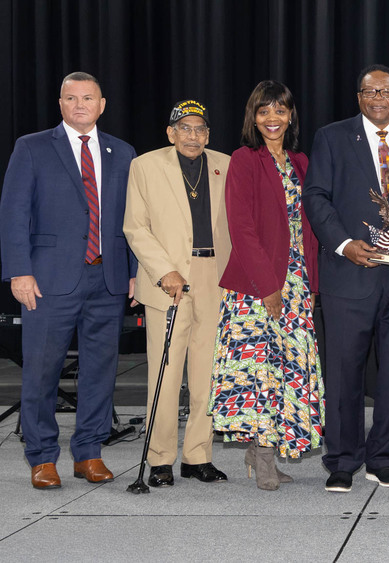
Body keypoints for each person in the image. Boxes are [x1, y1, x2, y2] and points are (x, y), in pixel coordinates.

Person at [303, 64, 389, 492]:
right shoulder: (332, 136)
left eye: (386, 91)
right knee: (343, 370)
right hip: (349, 274)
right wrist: (344, 244)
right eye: (369, 91)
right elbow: (316, 196)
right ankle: (342, 460)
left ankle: (383, 456)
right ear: (358, 97)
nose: (377, 97)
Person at [0, 72, 137, 489]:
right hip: (48, 280)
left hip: (107, 279)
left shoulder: (124, 152)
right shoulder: (32, 147)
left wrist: (134, 273)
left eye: (88, 98)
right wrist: (18, 271)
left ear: (102, 104)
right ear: (60, 104)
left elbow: (135, 220)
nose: (80, 105)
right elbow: (13, 213)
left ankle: (89, 453)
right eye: (71, 98)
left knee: (100, 370)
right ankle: (41, 457)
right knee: (41, 371)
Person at [210, 81, 324, 490]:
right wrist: (267, 286)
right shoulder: (244, 160)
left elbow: (309, 228)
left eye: (280, 110)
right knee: (260, 372)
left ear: (291, 115)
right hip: (255, 285)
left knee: (288, 371)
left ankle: (268, 451)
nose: (272, 118)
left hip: (296, 281)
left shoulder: (302, 162)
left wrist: (309, 282)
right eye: (264, 111)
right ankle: (261, 457)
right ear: (253, 118)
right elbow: (241, 228)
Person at [124, 100, 231, 488]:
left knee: (207, 372)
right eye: (184, 128)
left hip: (215, 277)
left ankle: (197, 456)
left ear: (208, 135)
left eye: (200, 129)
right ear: (170, 133)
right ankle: (160, 459)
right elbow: (135, 227)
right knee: (166, 373)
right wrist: (163, 270)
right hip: (168, 277)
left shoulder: (226, 164)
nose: (193, 136)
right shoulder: (145, 166)